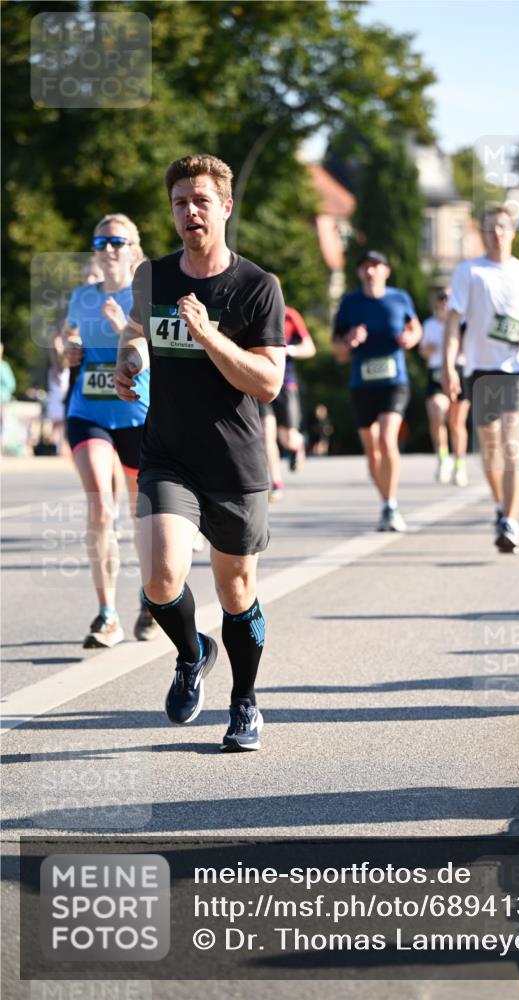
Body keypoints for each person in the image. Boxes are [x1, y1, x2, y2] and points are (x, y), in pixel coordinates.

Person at [114, 154, 285, 752]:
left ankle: (245, 702)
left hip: (234, 464)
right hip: (168, 455)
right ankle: (191, 654)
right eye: (181, 201)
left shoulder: (257, 287)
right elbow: (137, 330)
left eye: (202, 201)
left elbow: (268, 383)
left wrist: (210, 335)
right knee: (160, 579)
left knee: (237, 592)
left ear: (225, 207)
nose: (191, 211)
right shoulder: (154, 276)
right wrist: (128, 358)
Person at [63, 213, 156, 646]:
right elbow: (67, 341)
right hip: (90, 414)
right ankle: (107, 615)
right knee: (101, 507)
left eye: (117, 242)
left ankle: (150, 599)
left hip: (139, 417)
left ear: (133, 249)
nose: (108, 250)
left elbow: (162, 355)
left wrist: (126, 331)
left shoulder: (148, 296)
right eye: (100, 243)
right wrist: (69, 352)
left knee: (145, 519)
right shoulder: (81, 297)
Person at [444, 204, 519, 553]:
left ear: (513, 231)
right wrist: (448, 366)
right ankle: (502, 506)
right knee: (489, 447)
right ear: (483, 233)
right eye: (490, 228)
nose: (496, 233)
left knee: (511, 441)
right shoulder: (468, 271)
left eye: (502, 227)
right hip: (480, 368)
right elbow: (453, 323)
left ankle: (511, 522)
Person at [332, 250, 422, 531]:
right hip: (362, 384)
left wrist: (410, 338)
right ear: (359, 273)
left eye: (375, 266)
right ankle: (385, 502)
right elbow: (338, 351)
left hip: (395, 382)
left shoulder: (400, 298)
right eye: (365, 267)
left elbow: (415, 328)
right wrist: (349, 341)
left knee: (387, 440)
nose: (370, 271)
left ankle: (391, 505)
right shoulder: (350, 302)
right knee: (372, 452)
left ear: (386, 271)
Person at [260, 289, 316, 501]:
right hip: (262, 382)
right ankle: (275, 482)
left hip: (286, 382)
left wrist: (288, 350)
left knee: (287, 437)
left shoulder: (290, 315)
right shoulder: (254, 313)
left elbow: (310, 348)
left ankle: (297, 445)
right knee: (267, 434)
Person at [419, 288, 469, 486]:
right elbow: (422, 350)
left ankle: (459, 463)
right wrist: (428, 348)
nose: (445, 302)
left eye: (449, 298)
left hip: (459, 371)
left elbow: (471, 349)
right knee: (437, 413)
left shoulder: (463, 323)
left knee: (457, 424)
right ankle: (442, 458)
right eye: (441, 298)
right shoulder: (429, 324)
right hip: (437, 373)